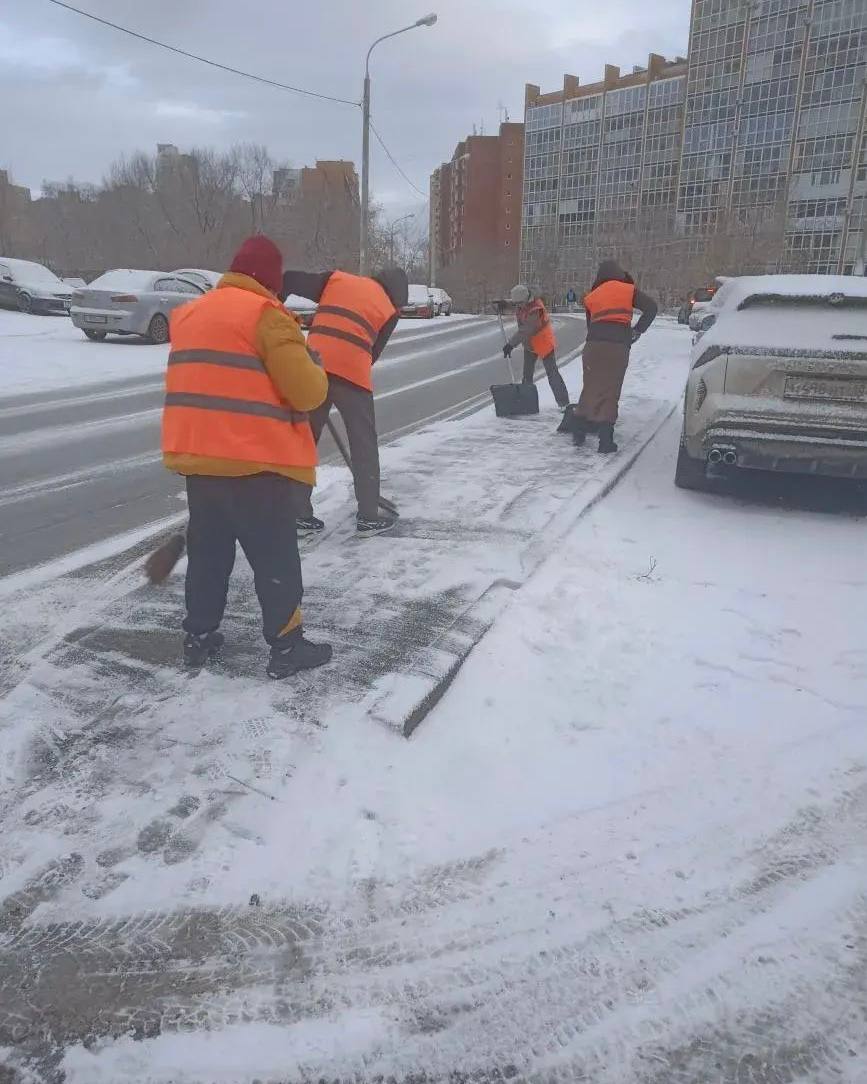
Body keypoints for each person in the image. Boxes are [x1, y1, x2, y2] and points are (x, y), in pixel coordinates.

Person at [162, 235, 332, 679]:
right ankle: (286, 646)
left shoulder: (190, 314)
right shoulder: (266, 317)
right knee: (274, 558)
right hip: (254, 464)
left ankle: (198, 637)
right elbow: (308, 392)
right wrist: (310, 362)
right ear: (271, 281)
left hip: (199, 462)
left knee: (209, 555)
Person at [281, 266, 408, 537]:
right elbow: (374, 352)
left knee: (304, 437)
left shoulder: (337, 280)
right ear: (396, 296)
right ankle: (368, 516)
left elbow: (290, 278)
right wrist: (347, 367)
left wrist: (277, 303)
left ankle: (297, 514)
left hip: (314, 364)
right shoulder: (390, 310)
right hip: (352, 372)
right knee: (364, 444)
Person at [571, 259, 658, 454]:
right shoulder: (627, 289)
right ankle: (605, 440)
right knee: (611, 389)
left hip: (593, 347)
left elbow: (590, 325)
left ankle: (579, 431)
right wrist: (637, 331)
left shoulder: (592, 296)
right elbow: (651, 308)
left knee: (591, 386)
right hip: (616, 346)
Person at [503, 284, 570, 409]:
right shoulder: (523, 302)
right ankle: (526, 403)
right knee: (527, 375)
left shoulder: (535, 309)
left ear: (526, 300)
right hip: (530, 344)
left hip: (543, 343)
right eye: (516, 304)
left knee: (552, 373)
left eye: (519, 304)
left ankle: (564, 403)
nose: (517, 306)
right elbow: (514, 303)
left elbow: (526, 330)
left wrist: (510, 345)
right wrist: (502, 304)